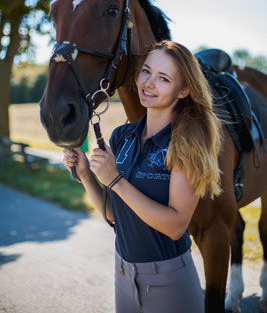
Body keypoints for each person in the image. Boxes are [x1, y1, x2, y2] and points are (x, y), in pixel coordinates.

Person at [63, 40, 222, 313]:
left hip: (169, 282)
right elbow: (116, 214)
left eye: (163, 78)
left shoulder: (186, 144)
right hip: (123, 274)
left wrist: (115, 181)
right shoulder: (122, 136)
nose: (148, 83)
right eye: (146, 71)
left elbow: (175, 226)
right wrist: (87, 175)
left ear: (183, 90)